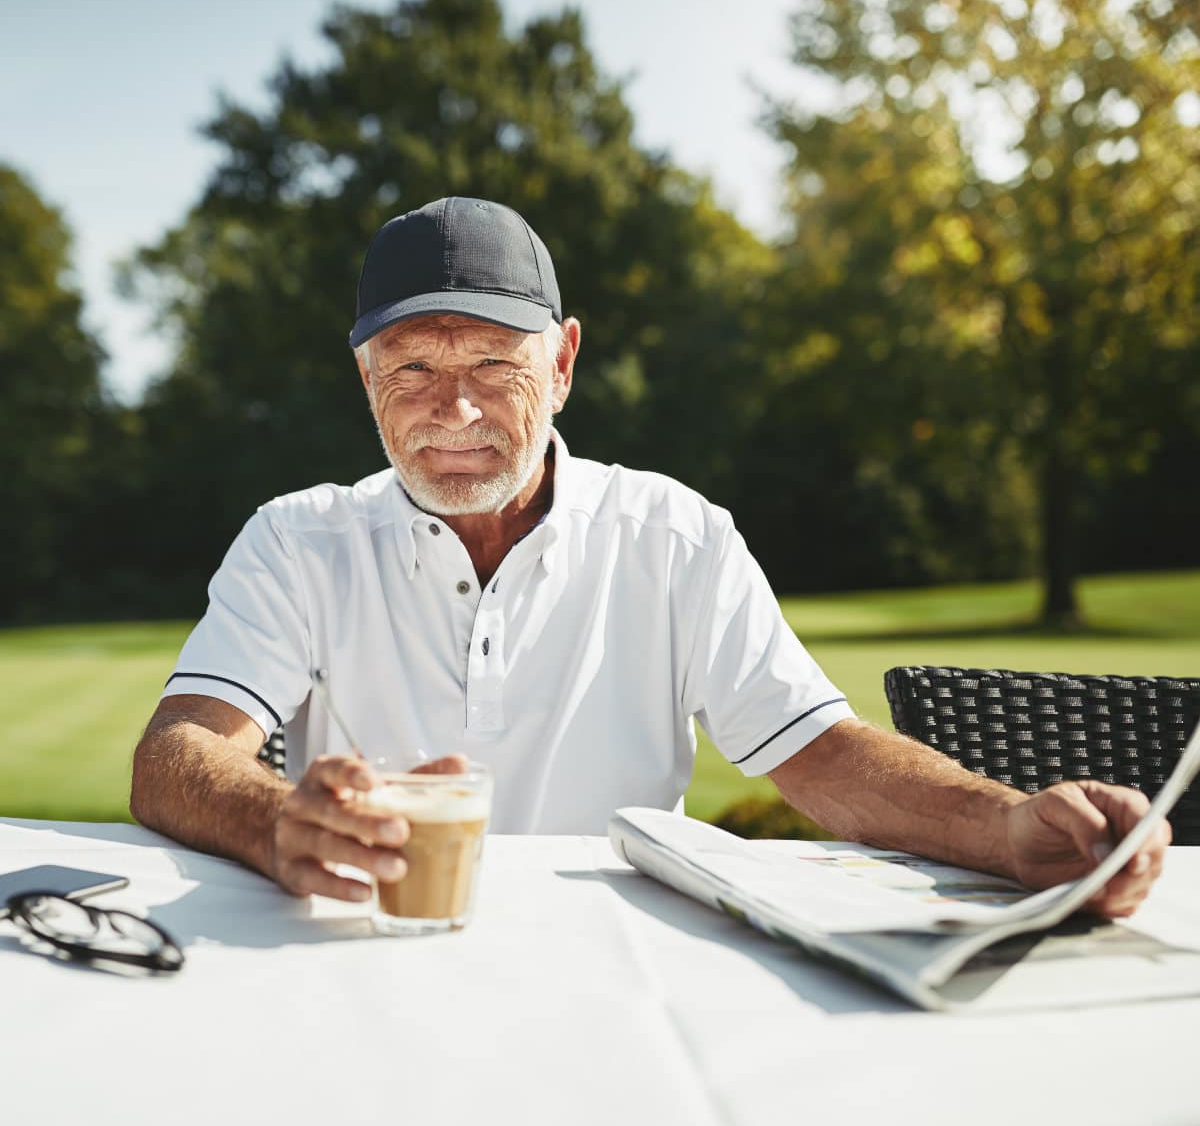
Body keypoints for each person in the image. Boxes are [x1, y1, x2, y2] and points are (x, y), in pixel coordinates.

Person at [131, 196, 1170, 915]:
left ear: (565, 361)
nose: (452, 407)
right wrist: (279, 823)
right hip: (372, 947)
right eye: (411, 367)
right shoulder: (297, 537)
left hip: (620, 972)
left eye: (495, 361)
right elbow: (178, 756)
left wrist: (1008, 825)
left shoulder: (674, 534)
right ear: (365, 375)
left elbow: (822, 755)